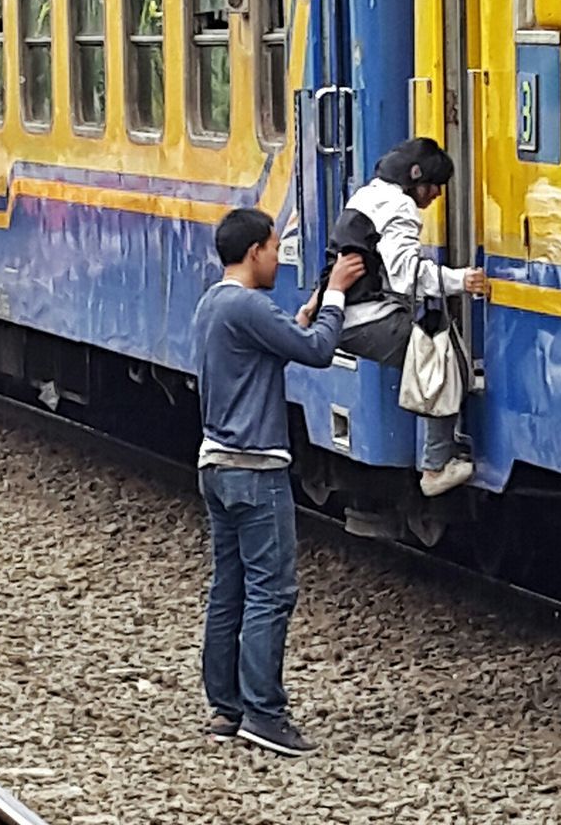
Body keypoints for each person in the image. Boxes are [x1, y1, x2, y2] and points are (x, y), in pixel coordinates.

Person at [193, 207, 364, 757]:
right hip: (255, 468)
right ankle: (265, 715)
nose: (276, 257)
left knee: (230, 587)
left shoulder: (214, 303)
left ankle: (227, 708)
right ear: (252, 253)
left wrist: (308, 313)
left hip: (216, 464)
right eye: (272, 248)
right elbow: (315, 352)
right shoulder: (248, 305)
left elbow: (281, 340)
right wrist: (336, 293)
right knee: (272, 590)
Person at [300, 137, 487, 498]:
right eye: (433, 186)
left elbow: (340, 260)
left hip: (345, 313)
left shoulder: (366, 196)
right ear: (415, 177)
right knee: (436, 353)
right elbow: (407, 274)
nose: (435, 195)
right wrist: (461, 280)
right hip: (363, 317)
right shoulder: (399, 207)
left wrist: (313, 307)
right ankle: (436, 465)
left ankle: (439, 449)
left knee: (427, 348)